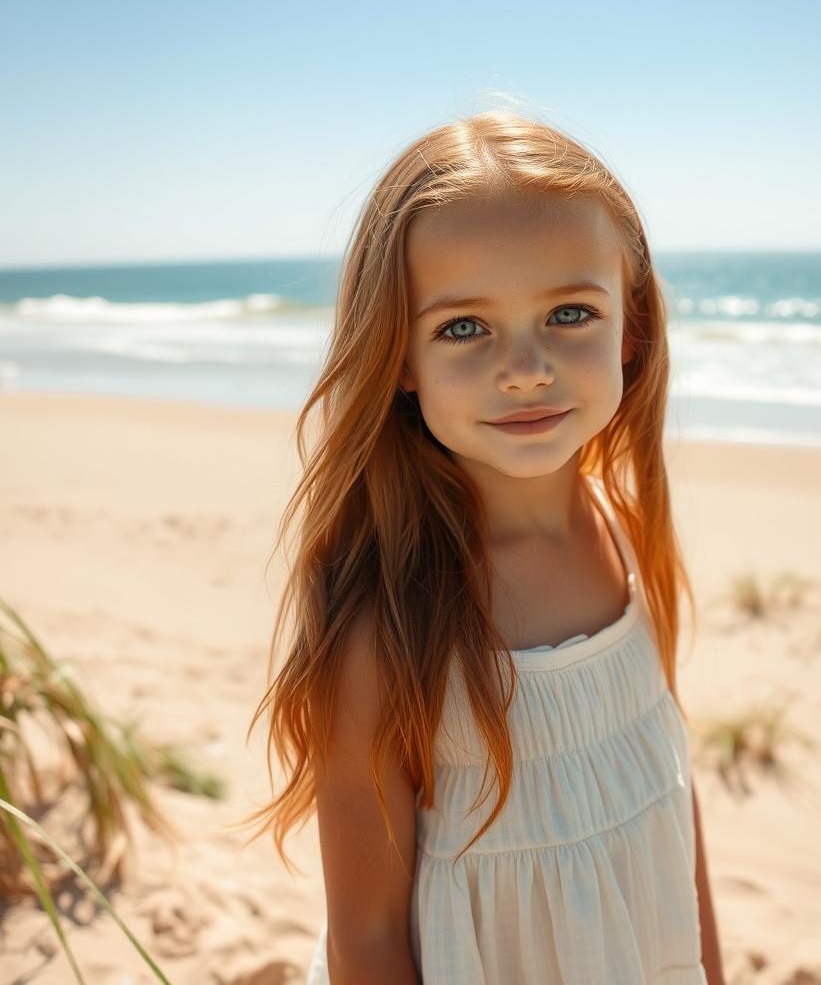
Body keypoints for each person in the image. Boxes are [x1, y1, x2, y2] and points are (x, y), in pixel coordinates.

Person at [239, 108, 724, 983]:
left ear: (633, 326)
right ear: (399, 356)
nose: (527, 366)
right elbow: (369, 941)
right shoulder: (390, 624)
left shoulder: (626, 530)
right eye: (464, 327)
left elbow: (672, 812)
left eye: (571, 312)